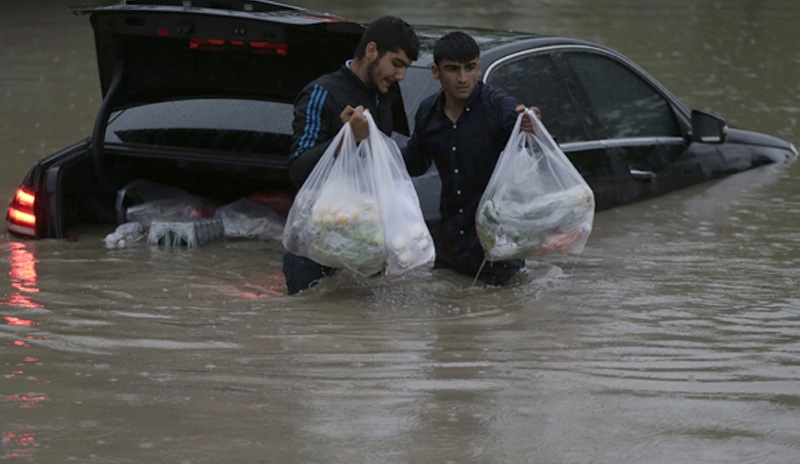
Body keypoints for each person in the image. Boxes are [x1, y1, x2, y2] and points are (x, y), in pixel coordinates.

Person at [283, 16, 420, 295]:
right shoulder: (322, 92)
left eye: (405, 67)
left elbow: (384, 158)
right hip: (317, 243)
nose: (400, 76)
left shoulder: (386, 95)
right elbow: (298, 168)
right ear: (371, 51)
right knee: (313, 328)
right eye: (396, 64)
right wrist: (345, 140)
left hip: (367, 239)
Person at [400, 31, 538, 286]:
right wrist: (370, 145)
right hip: (450, 251)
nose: (462, 78)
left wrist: (533, 128)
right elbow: (414, 165)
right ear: (436, 72)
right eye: (452, 69)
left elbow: (534, 151)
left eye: (469, 68)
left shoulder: (499, 107)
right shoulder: (428, 113)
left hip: (498, 252)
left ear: (478, 68)